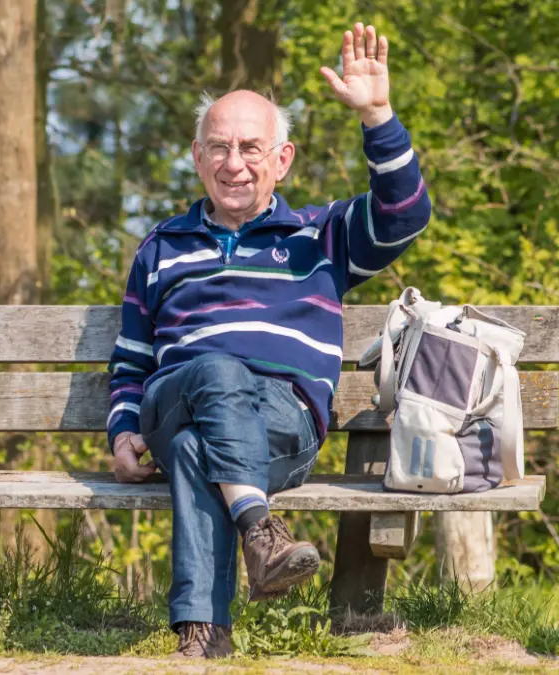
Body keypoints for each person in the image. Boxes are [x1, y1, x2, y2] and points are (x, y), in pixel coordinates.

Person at [106, 22, 431, 658]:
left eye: (252, 148)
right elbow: (131, 360)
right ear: (197, 158)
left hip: (285, 423)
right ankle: (262, 530)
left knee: (206, 448)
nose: (234, 163)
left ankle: (204, 635)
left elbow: (404, 215)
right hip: (176, 401)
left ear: (281, 160)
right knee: (215, 371)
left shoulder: (321, 235)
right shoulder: (161, 246)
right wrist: (122, 431)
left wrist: (377, 116)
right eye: (219, 148)